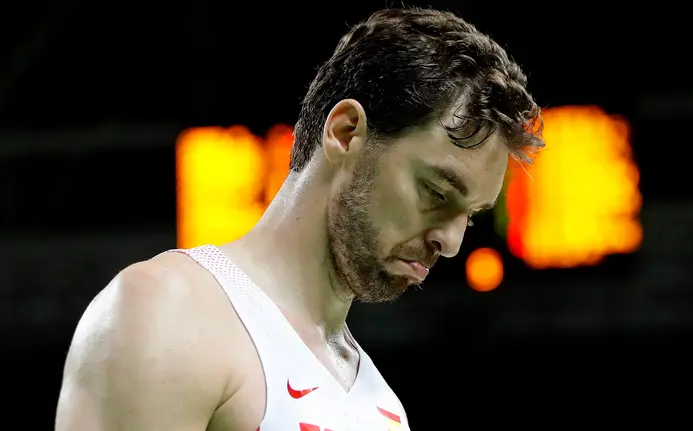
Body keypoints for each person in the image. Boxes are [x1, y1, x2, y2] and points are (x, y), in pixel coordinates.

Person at [55, 7, 543, 431]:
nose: (453, 242)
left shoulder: (384, 410)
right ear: (346, 133)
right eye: (436, 191)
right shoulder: (168, 311)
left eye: (471, 217)